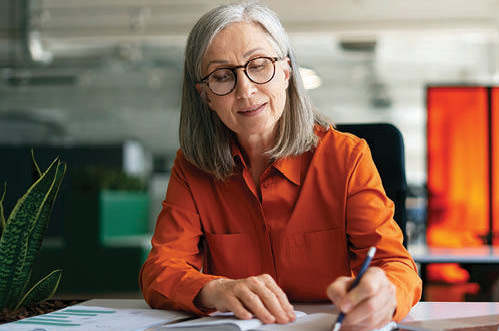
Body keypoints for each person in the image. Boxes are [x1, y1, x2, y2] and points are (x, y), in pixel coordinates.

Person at [139, 2, 422, 330]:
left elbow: (395, 265)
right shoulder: (191, 169)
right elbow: (161, 269)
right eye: (221, 76)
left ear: (287, 72)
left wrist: (384, 294)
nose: (246, 90)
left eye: (259, 65)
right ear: (206, 96)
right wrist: (214, 289)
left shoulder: (347, 157)